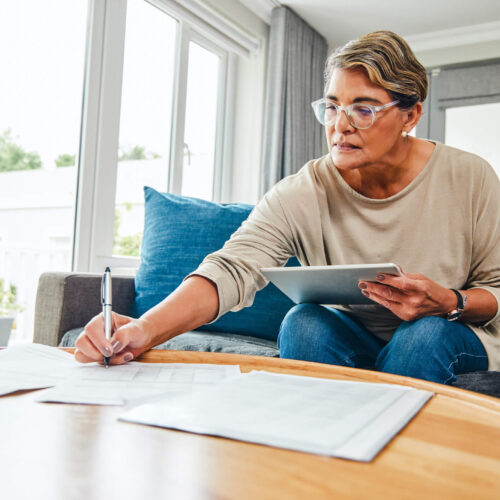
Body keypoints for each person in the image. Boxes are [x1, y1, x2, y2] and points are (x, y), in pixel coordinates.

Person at [74, 31, 500, 384]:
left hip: (450, 336)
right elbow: (232, 267)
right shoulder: (306, 189)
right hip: (356, 338)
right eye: (332, 106)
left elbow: (497, 289)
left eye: (364, 109)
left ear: (411, 116)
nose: (340, 125)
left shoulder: (470, 177)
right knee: (304, 322)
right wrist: (142, 330)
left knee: (421, 337)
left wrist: (449, 301)